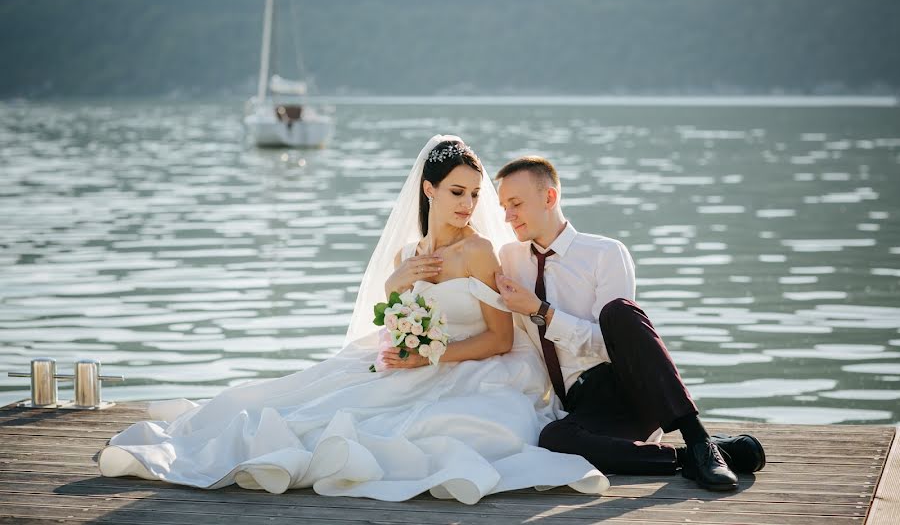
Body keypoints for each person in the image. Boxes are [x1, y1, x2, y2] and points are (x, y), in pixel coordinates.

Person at [97, 136, 608, 504]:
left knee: (407, 430)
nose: (469, 205)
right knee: (294, 401)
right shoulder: (407, 253)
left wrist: (426, 357)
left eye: (476, 194)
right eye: (457, 192)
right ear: (428, 190)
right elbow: (395, 320)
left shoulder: (479, 252)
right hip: (417, 356)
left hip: (473, 362)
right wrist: (396, 289)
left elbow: (500, 340)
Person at [494, 156, 766, 491]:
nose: (508, 216)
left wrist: (543, 312)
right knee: (553, 440)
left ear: (549, 198)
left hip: (627, 387)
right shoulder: (509, 259)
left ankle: (700, 440)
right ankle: (686, 457)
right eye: (504, 206)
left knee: (619, 312)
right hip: (581, 406)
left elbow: (615, 343)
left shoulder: (605, 253)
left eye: (516, 204)